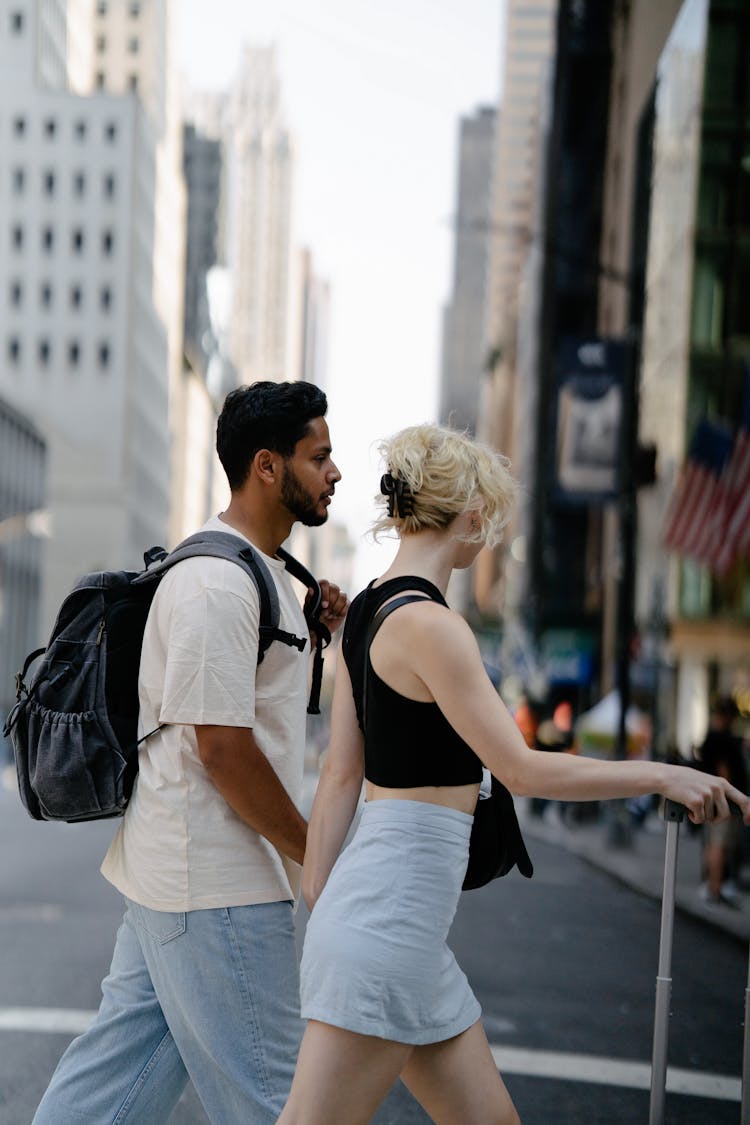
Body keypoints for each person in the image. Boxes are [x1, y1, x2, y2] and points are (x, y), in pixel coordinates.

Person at [278, 423, 750, 1125]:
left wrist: (324, 897)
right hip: (388, 928)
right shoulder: (435, 626)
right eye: (489, 515)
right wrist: (660, 774)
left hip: (391, 926)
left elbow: (343, 774)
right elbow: (523, 769)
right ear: (468, 511)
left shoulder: (370, 611)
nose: (490, 532)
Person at [33, 381, 349, 1124]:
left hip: (179, 879)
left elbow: (253, 712)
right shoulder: (215, 582)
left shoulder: (261, 572)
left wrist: (318, 627)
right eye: (320, 455)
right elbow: (223, 750)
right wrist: (313, 855)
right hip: (215, 886)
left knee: (111, 1087)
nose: (334, 472)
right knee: (278, 1102)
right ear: (267, 467)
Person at [696, 695, 748, 907]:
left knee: (713, 844)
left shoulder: (711, 737)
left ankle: (712, 886)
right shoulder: (721, 738)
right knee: (719, 845)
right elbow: (723, 771)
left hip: (713, 799)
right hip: (722, 801)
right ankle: (715, 888)